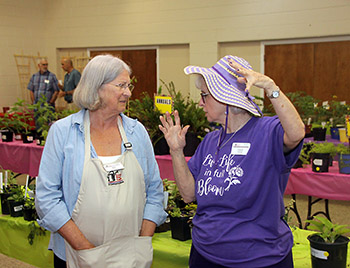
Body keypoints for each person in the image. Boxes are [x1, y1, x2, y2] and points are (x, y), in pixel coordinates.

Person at [159, 55, 305, 268]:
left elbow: (297, 132)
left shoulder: (266, 131)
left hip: (259, 259)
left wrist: (270, 87)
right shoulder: (210, 140)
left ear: (225, 97)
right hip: (205, 253)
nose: (200, 102)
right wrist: (176, 151)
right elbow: (189, 194)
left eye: (204, 95)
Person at [35, 54, 167, 268]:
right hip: (75, 254)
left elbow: (154, 190)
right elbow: (47, 198)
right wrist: (86, 251)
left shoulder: (136, 132)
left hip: (130, 255)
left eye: (128, 85)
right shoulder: (63, 132)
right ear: (97, 87)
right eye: (121, 85)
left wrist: (143, 239)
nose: (128, 92)